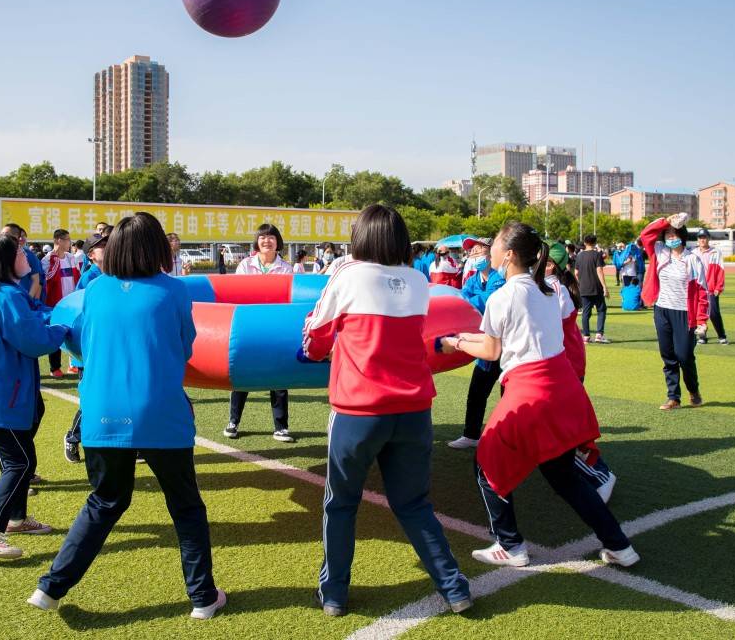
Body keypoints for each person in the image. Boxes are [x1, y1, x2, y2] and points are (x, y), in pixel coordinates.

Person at [31, 213, 225, 620]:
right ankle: (203, 598)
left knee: (104, 502)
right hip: (161, 412)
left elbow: (81, 342)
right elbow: (186, 345)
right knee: (185, 506)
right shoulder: (173, 291)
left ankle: (50, 588)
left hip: (101, 413)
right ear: (158, 248)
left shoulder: (96, 290)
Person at [303, 205, 471, 616]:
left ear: (361, 237)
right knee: (414, 504)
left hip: (359, 410)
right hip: (414, 409)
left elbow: (315, 337)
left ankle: (336, 594)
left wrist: (316, 349)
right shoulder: (418, 280)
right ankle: (454, 588)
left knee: (340, 503)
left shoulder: (348, 275)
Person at [441, 222, 638, 569]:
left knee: (486, 462)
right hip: (562, 385)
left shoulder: (504, 296)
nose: (491, 252)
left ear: (510, 254)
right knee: (564, 477)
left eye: (496, 246)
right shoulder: (549, 289)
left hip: (530, 391)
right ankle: (619, 545)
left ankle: (509, 545)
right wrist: (458, 338)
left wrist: (453, 341)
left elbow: (489, 351)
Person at [0, 232, 67, 559]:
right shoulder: (6, 298)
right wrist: (64, 330)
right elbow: (35, 341)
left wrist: (53, 315)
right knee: (19, 462)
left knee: (22, 451)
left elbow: (34, 310)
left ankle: (16, 518)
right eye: (21, 253)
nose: (28, 258)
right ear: (7, 262)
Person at [545, 240, 616, 502]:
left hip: (565, 367)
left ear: (550, 265)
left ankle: (599, 473)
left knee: (562, 430)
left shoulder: (553, 289)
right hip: (564, 365)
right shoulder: (554, 287)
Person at [224, 224, 296, 443]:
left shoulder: (286, 268)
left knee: (279, 377)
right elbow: (238, 295)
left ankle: (281, 427)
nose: (267, 241)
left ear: (278, 242)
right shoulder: (245, 265)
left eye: (271, 237)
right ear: (257, 241)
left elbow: (288, 299)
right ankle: (233, 421)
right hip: (249, 328)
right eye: (263, 237)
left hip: (276, 329)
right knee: (242, 376)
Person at [639, 214, 708, 410]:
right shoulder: (660, 252)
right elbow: (645, 234)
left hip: (685, 313)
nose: (670, 238)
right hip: (662, 310)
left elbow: (703, 291)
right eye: (667, 235)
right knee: (668, 354)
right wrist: (666, 221)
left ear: (682, 236)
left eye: (674, 234)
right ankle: (673, 397)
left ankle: (693, 390)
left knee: (684, 355)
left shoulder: (692, 259)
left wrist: (702, 320)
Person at [447, 237, 505, 450]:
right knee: (477, 391)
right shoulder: (472, 278)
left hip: (505, 345)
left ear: (492, 252)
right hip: (485, 341)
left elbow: (489, 300)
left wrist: (475, 299)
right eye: (472, 252)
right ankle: (471, 434)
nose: (475, 255)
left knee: (508, 393)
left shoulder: (499, 277)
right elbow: (465, 297)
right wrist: (475, 299)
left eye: (479, 251)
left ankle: (511, 437)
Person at [63, 230, 110, 464]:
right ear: (91, 254)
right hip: (88, 352)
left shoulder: (116, 275)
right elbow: (80, 318)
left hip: (109, 350)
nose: (110, 248)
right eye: (104, 246)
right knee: (91, 399)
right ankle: (73, 436)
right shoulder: (89, 279)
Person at [42, 228, 76, 377]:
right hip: (55, 304)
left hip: (71, 303)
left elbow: (77, 276)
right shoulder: (47, 259)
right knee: (55, 333)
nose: (70, 243)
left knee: (74, 333)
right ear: (58, 241)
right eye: (67, 239)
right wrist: (55, 261)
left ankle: (74, 364)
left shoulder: (71, 257)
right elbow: (47, 279)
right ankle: (54, 367)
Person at [693, 228, 727, 345]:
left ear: (708, 239)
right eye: (700, 237)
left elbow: (720, 270)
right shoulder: (693, 253)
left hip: (711, 288)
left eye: (704, 237)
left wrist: (719, 287)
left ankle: (721, 335)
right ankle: (702, 336)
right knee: (699, 313)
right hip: (698, 287)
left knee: (713, 313)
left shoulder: (716, 252)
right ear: (698, 239)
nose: (702, 240)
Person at [575, 234, 610, 344]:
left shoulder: (579, 256)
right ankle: (599, 335)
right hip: (596, 287)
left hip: (584, 288)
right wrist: (605, 286)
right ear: (595, 243)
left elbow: (576, 273)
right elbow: (599, 270)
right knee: (601, 310)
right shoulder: (597, 255)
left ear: (585, 243)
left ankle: (586, 336)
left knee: (586, 312)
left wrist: (581, 282)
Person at [1, 224, 44, 301]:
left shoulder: (29, 255)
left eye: (24, 236)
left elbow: (36, 280)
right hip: (4, 298)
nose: (21, 238)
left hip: (22, 298)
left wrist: (29, 299)